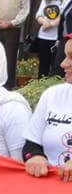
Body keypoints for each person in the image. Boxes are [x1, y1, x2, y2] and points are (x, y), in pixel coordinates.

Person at [24, 37, 72, 181]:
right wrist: (35, 156)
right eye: (65, 56)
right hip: (50, 187)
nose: (63, 64)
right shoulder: (53, 95)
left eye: (71, 57)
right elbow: (31, 144)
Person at [33, 0, 69, 78]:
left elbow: (63, 17)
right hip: (43, 36)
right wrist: (44, 22)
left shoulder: (67, 0)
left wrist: (51, 24)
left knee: (56, 65)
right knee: (43, 64)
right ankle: (41, 84)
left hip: (57, 38)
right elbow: (38, 15)